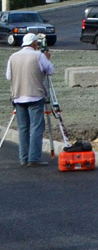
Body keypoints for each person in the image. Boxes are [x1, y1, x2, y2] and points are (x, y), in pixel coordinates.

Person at [6, 33, 54, 166]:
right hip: (35, 95)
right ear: (34, 44)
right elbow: (50, 70)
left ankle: (24, 158)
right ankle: (34, 158)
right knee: (36, 128)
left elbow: (9, 76)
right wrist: (47, 59)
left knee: (23, 129)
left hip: (18, 96)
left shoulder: (13, 57)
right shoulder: (38, 56)